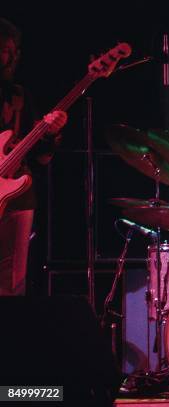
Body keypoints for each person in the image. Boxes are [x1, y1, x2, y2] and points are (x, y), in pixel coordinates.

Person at [0, 18, 68, 295]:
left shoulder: (19, 97)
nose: (1, 55)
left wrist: (51, 134)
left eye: (6, 49)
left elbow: (41, 159)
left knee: (11, 286)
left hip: (17, 201)